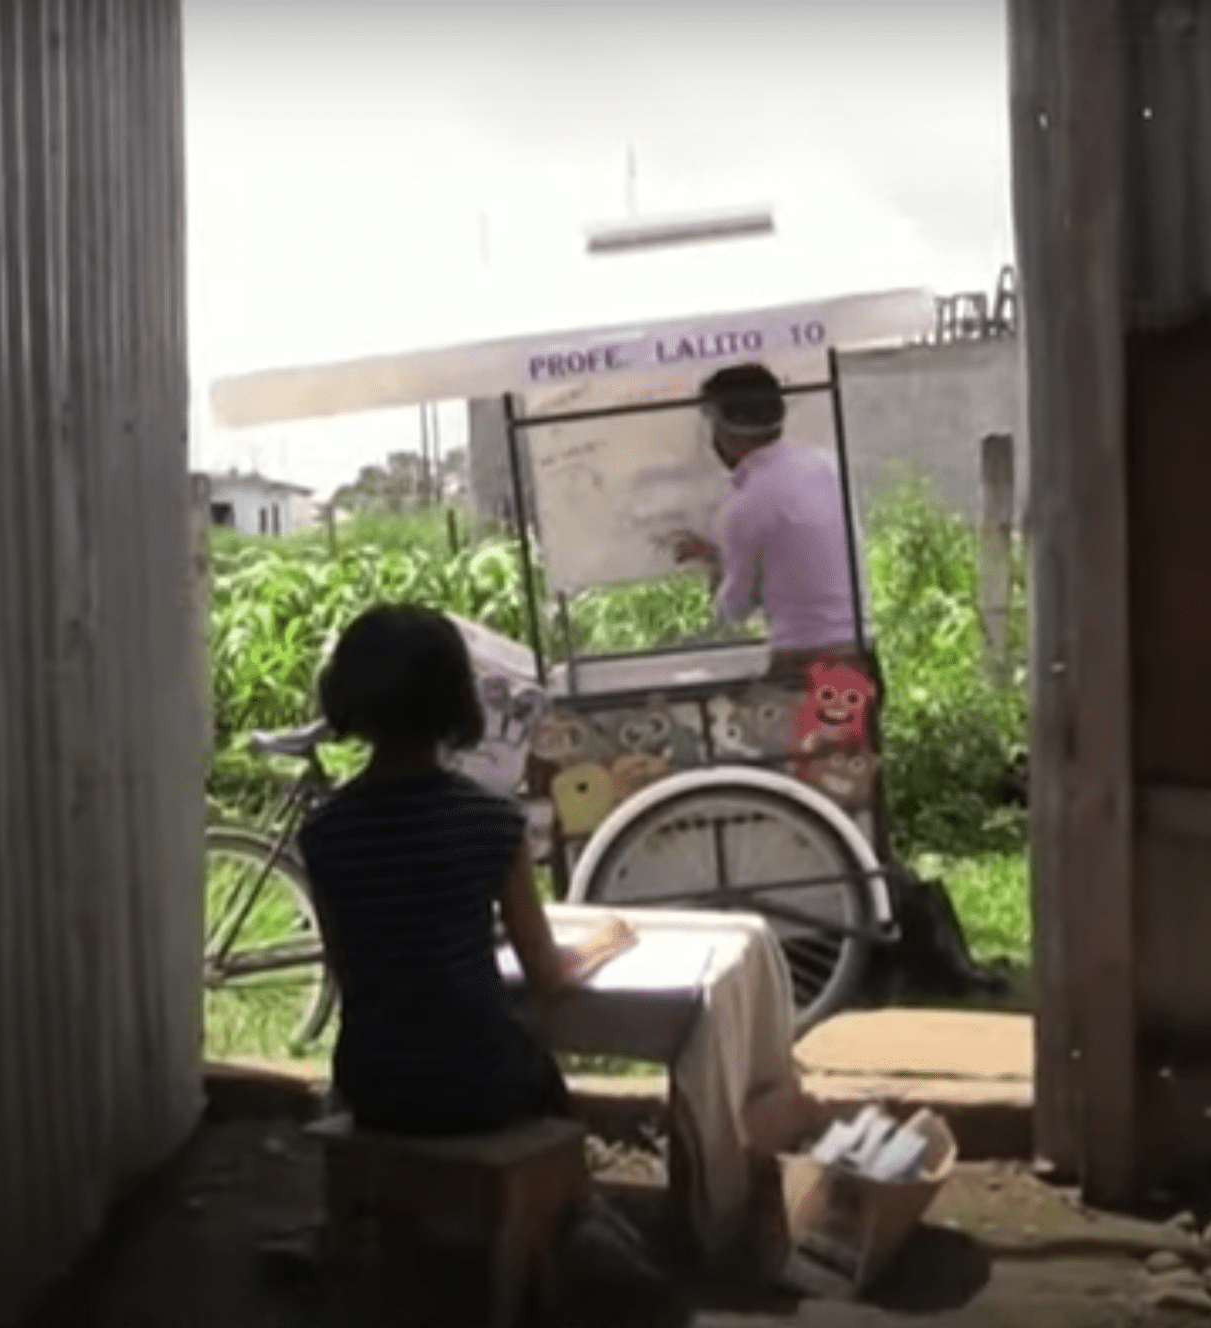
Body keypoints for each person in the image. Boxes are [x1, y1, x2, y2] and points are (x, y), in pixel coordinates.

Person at [295, 604, 666, 1289]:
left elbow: (359, 971)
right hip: (479, 1087)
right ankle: (572, 1219)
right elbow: (548, 979)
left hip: (371, 1084)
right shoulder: (490, 821)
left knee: (399, 1053)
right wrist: (603, 942)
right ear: (458, 702)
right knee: (538, 1069)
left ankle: (348, 1232)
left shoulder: (325, 835)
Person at [670, 362, 866, 675]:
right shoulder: (826, 466)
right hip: (858, 653)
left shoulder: (745, 507)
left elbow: (733, 611)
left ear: (722, 430)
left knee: (811, 727)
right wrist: (724, 555)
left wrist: (717, 569)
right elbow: (797, 559)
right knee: (856, 727)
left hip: (806, 664)